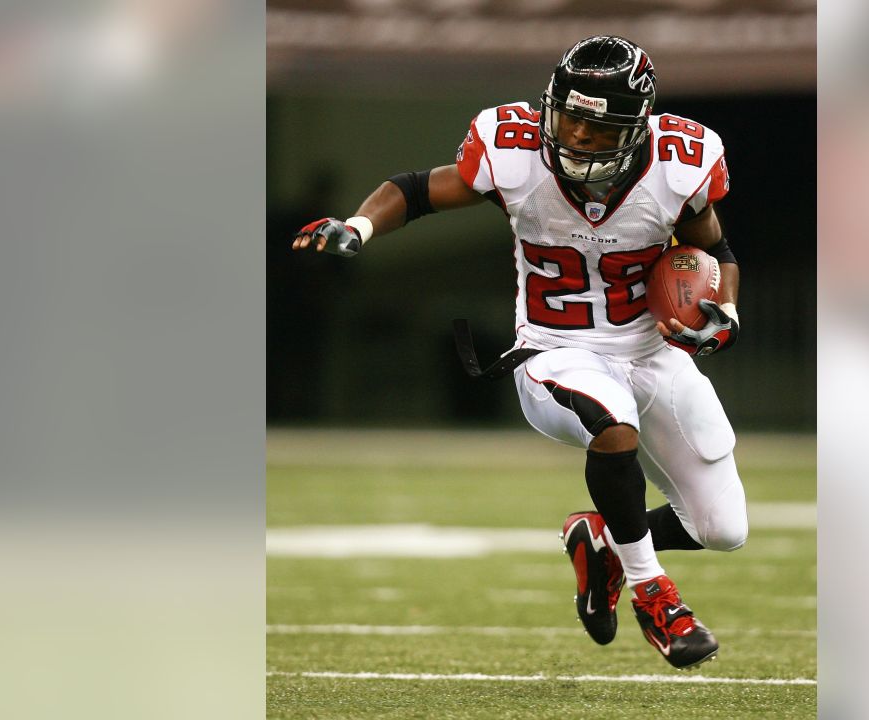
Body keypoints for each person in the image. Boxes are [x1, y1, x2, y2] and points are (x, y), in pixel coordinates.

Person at [293, 35, 747, 670]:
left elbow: (716, 253)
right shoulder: (514, 149)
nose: (576, 136)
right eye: (568, 118)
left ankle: (603, 543)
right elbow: (418, 188)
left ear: (635, 128)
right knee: (610, 423)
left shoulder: (683, 161)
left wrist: (721, 312)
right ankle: (655, 596)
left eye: (595, 126)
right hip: (554, 352)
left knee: (722, 528)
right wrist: (360, 226)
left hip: (652, 352)